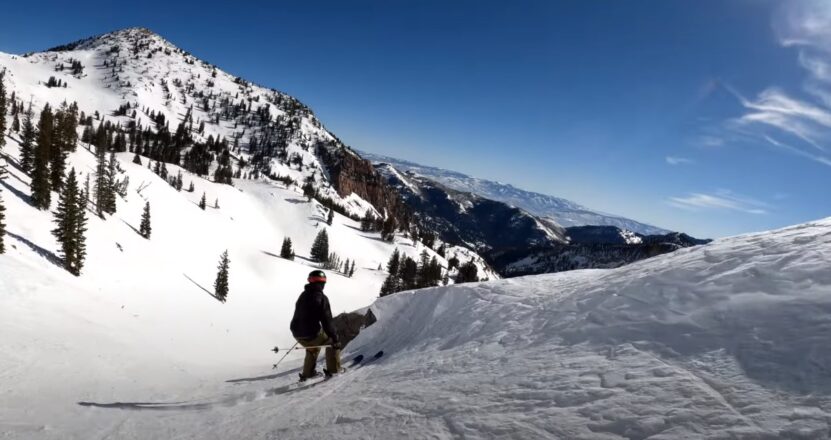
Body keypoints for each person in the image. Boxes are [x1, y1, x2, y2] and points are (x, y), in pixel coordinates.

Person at [290, 270, 342, 381]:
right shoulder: (322, 298)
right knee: (331, 342)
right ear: (323, 284)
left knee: (313, 347)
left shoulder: (303, 295)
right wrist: (335, 337)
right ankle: (335, 371)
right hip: (311, 332)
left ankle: (308, 374)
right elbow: (327, 321)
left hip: (296, 332)